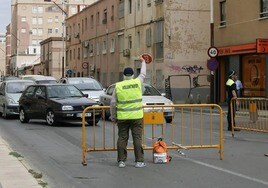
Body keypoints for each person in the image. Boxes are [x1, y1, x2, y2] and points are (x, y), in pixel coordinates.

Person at [110, 55, 146, 168]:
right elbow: (143, 73)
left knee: (122, 138)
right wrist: (143, 62)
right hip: (137, 117)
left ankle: (121, 161)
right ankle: (139, 161)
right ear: (133, 75)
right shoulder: (137, 82)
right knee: (137, 138)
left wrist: (113, 116)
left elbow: (112, 103)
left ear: (124, 75)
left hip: (122, 117)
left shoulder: (118, 86)